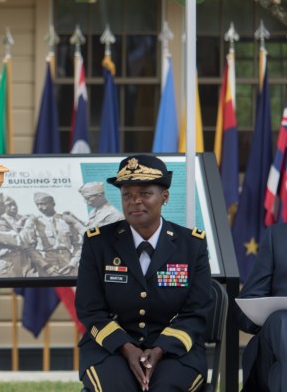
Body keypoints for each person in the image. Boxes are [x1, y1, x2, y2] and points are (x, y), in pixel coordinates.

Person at [75, 154, 212, 392]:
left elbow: (197, 311)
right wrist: (126, 347)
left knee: (167, 387)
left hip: (175, 350)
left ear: (164, 197)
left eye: (145, 193)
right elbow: (90, 309)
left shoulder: (191, 245)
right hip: (111, 348)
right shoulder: (98, 243)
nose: (135, 201)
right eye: (127, 195)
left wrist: (160, 349)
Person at [234, 223, 287, 391]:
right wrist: (263, 313)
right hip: (275, 343)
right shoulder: (277, 236)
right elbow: (244, 308)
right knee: (280, 320)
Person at [67, 182, 125, 269]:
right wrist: (73, 263)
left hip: (108, 262)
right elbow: (89, 239)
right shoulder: (94, 212)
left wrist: (75, 223)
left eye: (88, 198)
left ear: (100, 196)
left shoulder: (113, 215)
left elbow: (93, 237)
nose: (85, 202)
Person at [24, 192, 79, 276]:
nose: (40, 207)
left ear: (53, 204)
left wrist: (72, 263)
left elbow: (78, 244)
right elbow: (29, 248)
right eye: (37, 205)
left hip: (67, 264)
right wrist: (45, 266)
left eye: (43, 204)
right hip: (46, 264)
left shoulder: (66, 220)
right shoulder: (35, 222)